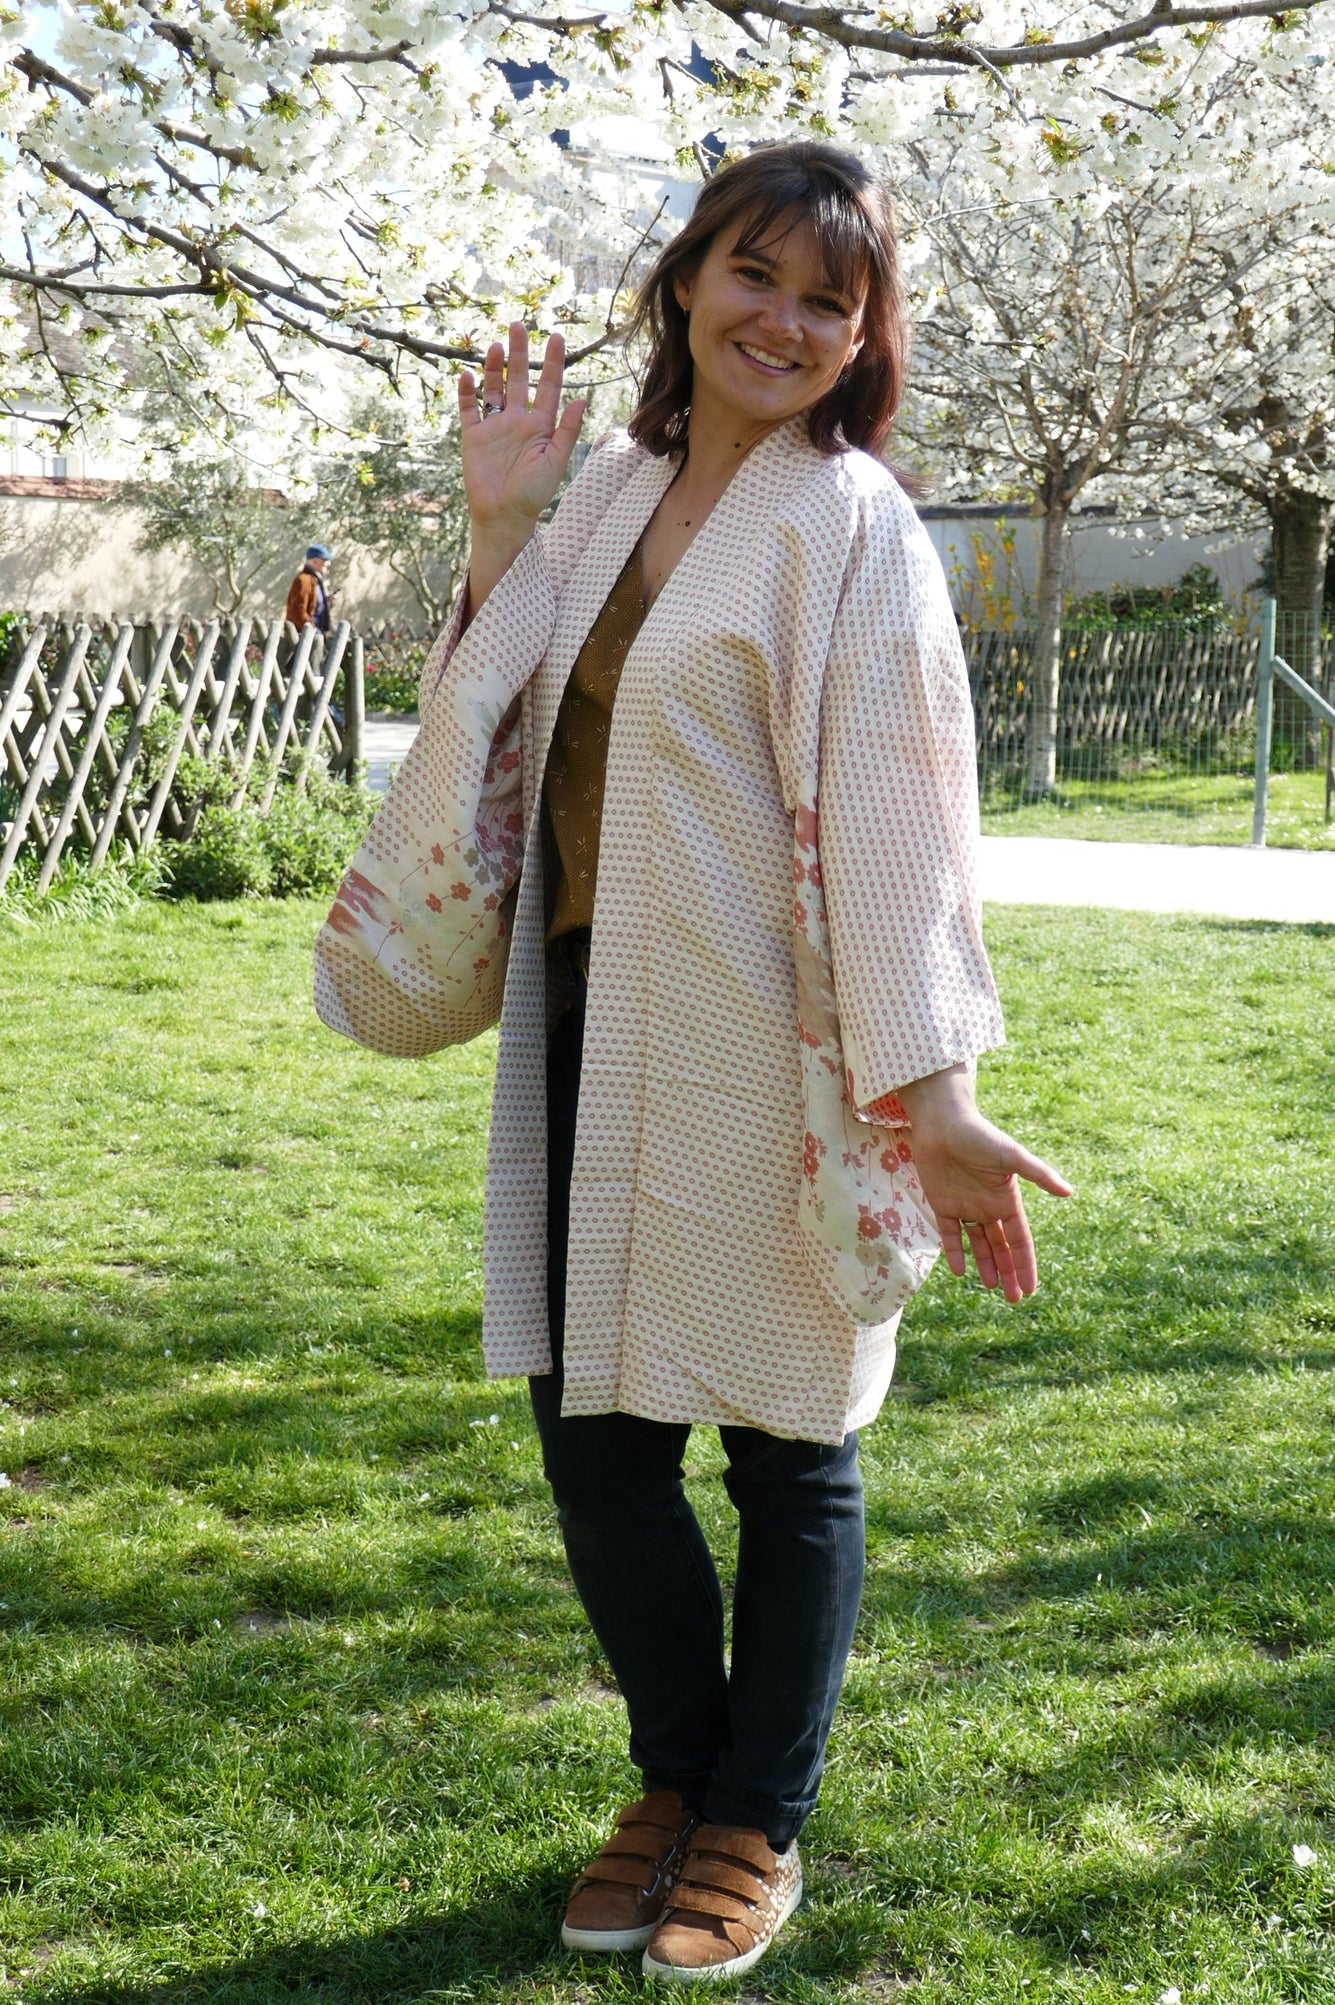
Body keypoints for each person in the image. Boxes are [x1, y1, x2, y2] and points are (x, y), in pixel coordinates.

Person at [366, 142, 1069, 1983]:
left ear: (865, 336)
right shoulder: (614, 494)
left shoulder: (853, 529)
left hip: (783, 1039)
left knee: (786, 1434)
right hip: (593, 1012)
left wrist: (939, 1098)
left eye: (831, 300)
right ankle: (672, 1780)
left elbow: (915, 815)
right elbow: (487, 723)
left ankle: (757, 1818)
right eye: (756, 276)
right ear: (688, 281)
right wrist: (501, 532)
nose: (788, 322)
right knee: (597, 1437)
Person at [285, 543, 333, 632]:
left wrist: (328, 602)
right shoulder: (303, 580)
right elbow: (298, 611)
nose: (329, 563)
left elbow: (315, 607)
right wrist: (312, 629)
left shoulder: (315, 580)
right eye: (325, 560)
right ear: (314, 561)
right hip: (305, 635)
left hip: (314, 632)